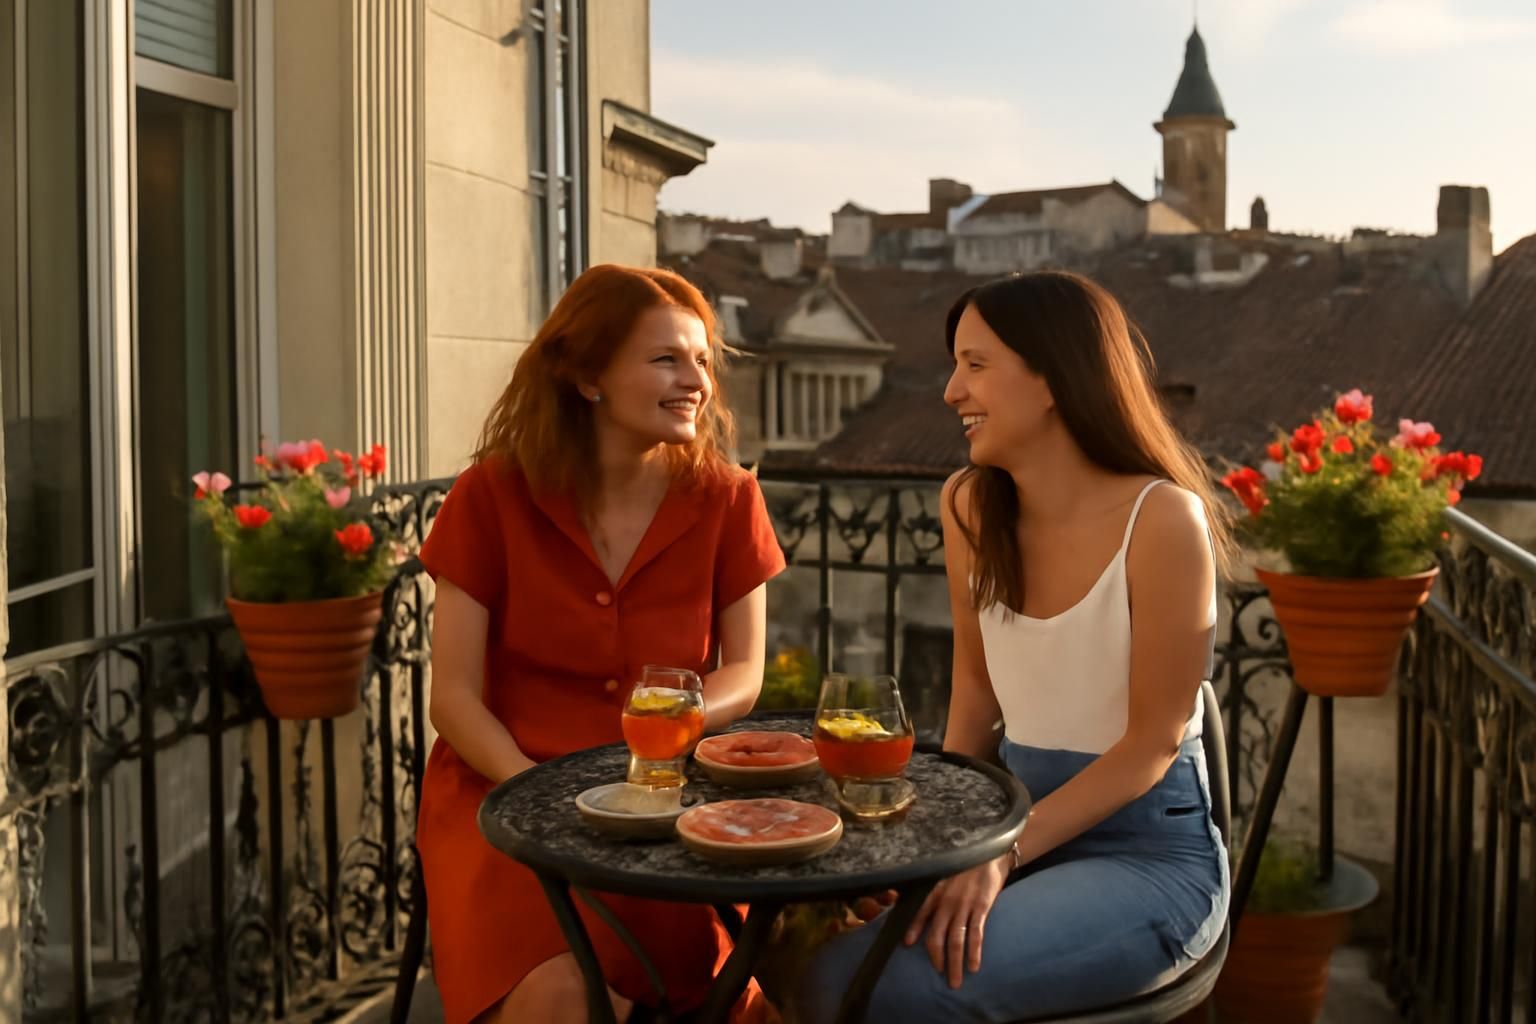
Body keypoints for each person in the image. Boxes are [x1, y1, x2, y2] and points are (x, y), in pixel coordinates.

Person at [796, 270, 1233, 1022]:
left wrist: (1000, 853)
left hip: (1146, 858)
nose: (950, 392)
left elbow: (1153, 744)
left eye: (976, 365)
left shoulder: (1163, 520)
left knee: (862, 985)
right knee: (801, 947)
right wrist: (933, 847)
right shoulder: (969, 504)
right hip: (1014, 829)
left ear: (1055, 375)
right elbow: (975, 704)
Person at [417, 264, 786, 1024]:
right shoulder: (488, 496)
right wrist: (533, 793)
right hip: (505, 803)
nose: (696, 381)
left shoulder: (729, 499)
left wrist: (665, 735)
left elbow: (744, 672)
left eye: (703, 361)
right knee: (561, 1002)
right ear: (588, 378)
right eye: (667, 360)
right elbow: (452, 697)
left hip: (660, 802)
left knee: (727, 1004)